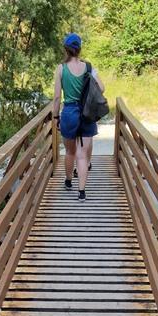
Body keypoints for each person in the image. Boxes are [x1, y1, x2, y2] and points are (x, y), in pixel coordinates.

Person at [52, 33, 104, 201]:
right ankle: (82, 192)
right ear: (79, 48)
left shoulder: (61, 69)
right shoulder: (89, 67)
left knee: (70, 151)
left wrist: (55, 116)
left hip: (69, 113)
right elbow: (101, 89)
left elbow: (57, 98)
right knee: (82, 154)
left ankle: (68, 181)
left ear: (65, 49)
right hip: (87, 114)